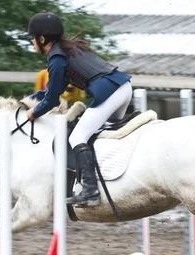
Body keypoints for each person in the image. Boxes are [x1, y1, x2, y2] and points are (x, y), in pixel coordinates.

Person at [27, 11, 133, 208]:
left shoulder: (57, 58)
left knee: (77, 137)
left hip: (110, 93)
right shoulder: (69, 49)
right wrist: (33, 97)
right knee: (106, 132)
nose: (33, 42)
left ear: (41, 39)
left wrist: (33, 112)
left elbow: (51, 101)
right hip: (123, 88)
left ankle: (91, 191)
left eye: (33, 38)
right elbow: (54, 90)